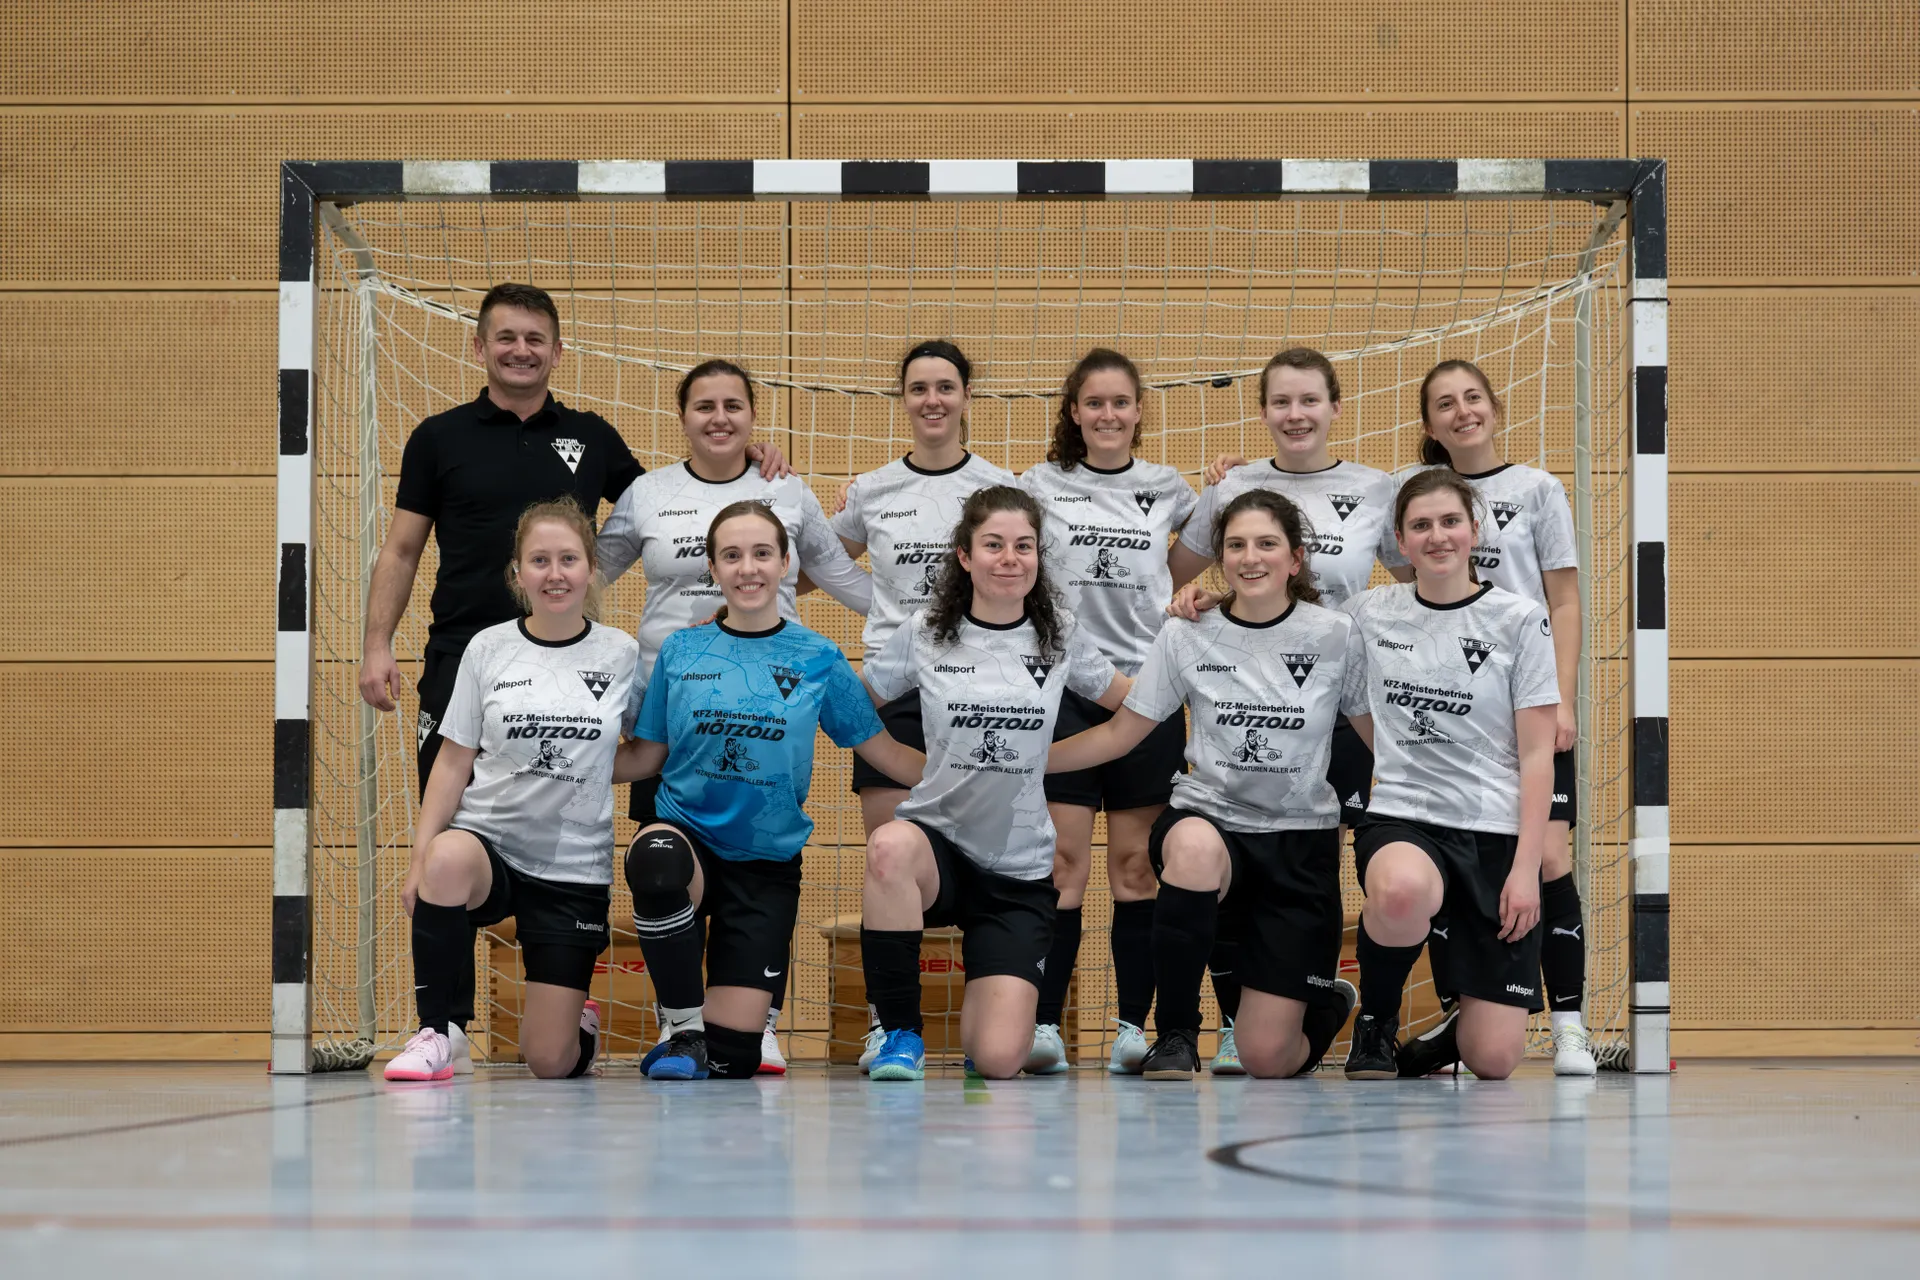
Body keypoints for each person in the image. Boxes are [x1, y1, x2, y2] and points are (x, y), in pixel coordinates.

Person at [597, 358, 868, 1073]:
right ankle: (677, 1020)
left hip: (762, 711)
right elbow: (590, 574)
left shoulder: (783, 489)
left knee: (752, 869)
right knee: (669, 874)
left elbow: (838, 576)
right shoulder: (646, 493)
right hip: (672, 720)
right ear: (681, 417)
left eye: (733, 406)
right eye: (703, 406)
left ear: (753, 417)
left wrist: (932, 623)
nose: (719, 418)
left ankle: (752, 1018)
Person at [1047, 490, 1361, 1078]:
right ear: (1220, 557)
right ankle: (1177, 1034)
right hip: (1211, 820)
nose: (1251, 557)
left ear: (1295, 559)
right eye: (1236, 545)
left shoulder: (1338, 634)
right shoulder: (1187, 633)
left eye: (1267, 544)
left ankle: (1322, 1009)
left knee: (1269, 1061)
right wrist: (1025, 763)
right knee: (1189, 849)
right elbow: (1120, 734)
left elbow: (1377, 736)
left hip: (1299, 842)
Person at [615, 502, 926, 1080]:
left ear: (786, 563)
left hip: (765, 864)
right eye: (731, 555)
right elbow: (645, 757)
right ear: (713, 568)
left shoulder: (818, 656)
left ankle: (710, 1042)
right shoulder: (682, 652)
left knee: (734, 1060)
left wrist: (973, 777)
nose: (748, 567)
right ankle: (682, 1028)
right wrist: (559, 759)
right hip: (688, 839)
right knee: (654, 862)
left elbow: (882, 751)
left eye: (762, 553)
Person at [1168, 347, 1395, 1073]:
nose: (1295, 415)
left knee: (1331, 853)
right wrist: (1194, 599)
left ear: (1335, 407)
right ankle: (1242, 1019)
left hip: (1342, 696)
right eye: (1281, 402)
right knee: (1222, 844)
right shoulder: (1234, 484)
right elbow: (1175, 573)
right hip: (1247, 694)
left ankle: (1340, 1002)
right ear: (1263, 411)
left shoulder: (1377, 488)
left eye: (1309, 401)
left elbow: (1423, 579)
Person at [858, 487, 1129, 1081]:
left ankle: (990, 1027)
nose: (1010, 558)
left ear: (1038, 556)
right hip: (940, 851)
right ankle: (900, 1033)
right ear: (964, 556)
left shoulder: (1059, 638)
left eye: (1023, 546)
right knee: (888, 846)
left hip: (1017, 872)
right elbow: (855, 707)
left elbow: (1132, 711)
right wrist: (912, 769)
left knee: (998, 1062)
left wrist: (1202, 648)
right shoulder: (926, 632)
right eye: (994, 545)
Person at [384, 497, 641, 1083]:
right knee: (445, 858)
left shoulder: (622, 653)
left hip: (572, 868)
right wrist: (420, 854)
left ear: (591, 567)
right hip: (490, 845)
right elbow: (454, 760)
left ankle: (579, 1024)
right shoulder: (488, 647)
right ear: (518, 572)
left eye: (568, 559)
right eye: (540, 560)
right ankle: (437, 1033)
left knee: (549, 1062)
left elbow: (639, 754)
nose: (555, 573)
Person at [1385, 359, 1592, 1077]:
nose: (1462, 411)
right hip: (1449, 714)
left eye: (1472, 398)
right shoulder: (1410, 498)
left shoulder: (1537, 488)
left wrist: (1559, 697)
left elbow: (1563, 601)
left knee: (1549, 857)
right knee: (1450, 855)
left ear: (1495, 408)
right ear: (1429, 425)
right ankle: (1461, 1013)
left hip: (1527, 704)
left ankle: (1569, 1024)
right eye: (1445, 403)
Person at [358, 283, 643, 795]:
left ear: (556, 352)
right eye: (505, 337)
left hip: (564, 661)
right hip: (460, 654)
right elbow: (401, 551)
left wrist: (746, 462)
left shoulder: (593, 436)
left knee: (549, 819)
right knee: (446, 824)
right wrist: (376, 644)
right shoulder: (437, 438)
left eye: (536, 339)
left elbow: (664, 508)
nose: (520, 350)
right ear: (479, 347)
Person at [829, 340, 1017, 1070]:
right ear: (903, 398)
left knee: (982, 857)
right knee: (892, 857)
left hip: (986, 693)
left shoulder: (1001, 486)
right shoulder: (872, 490)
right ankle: (892, 1024)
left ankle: (993, 1007)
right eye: (918, 388)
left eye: (945, 386)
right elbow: (816, 559)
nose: (932, 400)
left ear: (967, 395)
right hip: (897, 693)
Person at [1340, 469, 1559, 1081]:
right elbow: (1339, 684)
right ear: (1401, 543)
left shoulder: (1519, 619)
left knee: (1495, 1061)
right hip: (1405, 815)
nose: (1438, 536)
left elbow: (1538, 754)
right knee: (1402, 891)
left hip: (1493, 829)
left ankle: (1452, 1030)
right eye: (1421, 526)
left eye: (1450, 521)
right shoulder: (1367, 614)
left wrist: (1525, 871)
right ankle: (1376, 1022)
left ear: (1474, 530)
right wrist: (1197, 603)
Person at [1014, 349, 1198, 1075]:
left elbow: (1230, 531)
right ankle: (1045, 1025)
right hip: (1063, 698)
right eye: (1094, 403)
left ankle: (1131, 1026)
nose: (1109, 415)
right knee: (1061, 864)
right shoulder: (1037, 484)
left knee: (1134, 869)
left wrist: (1225, 478)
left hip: (1148, 699)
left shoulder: (1169, 488)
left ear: (1140, 410)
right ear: (1073, 412)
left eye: (1121, 402)